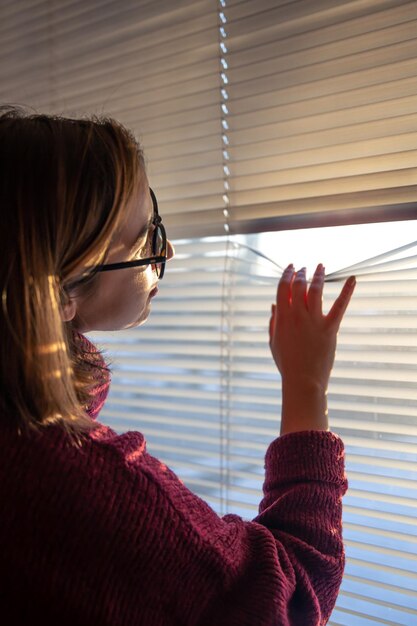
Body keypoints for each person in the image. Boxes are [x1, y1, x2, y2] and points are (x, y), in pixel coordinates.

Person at [0, 106, 356, 626]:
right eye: (145, 236)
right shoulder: (90, 491)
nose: (164, 248)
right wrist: (306, 386)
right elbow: (292, 600)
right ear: (62, 287)